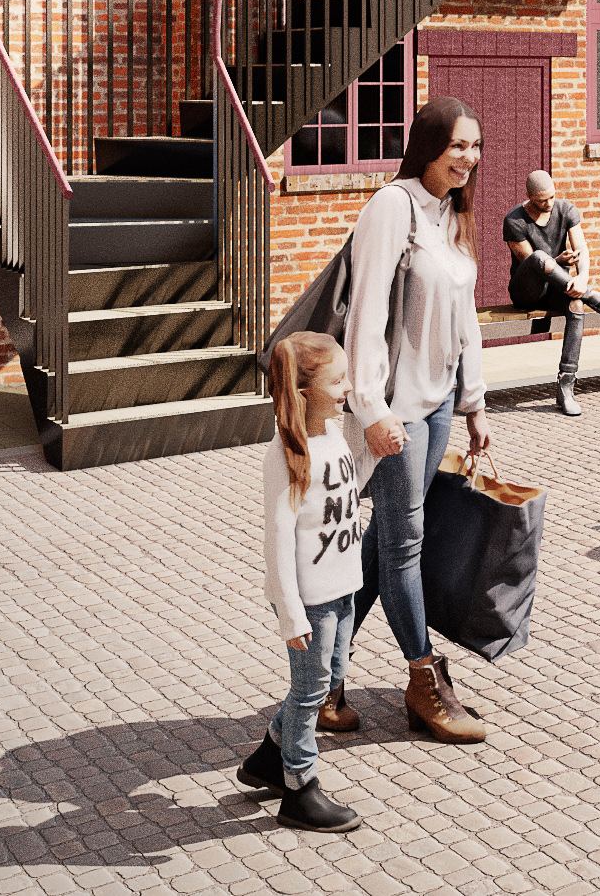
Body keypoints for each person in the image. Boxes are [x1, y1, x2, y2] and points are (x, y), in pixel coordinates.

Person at [335, 96, 495, 742]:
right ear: (428, 143)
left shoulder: (451, 216)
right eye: (458, 144)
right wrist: (369, 408)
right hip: (394, 413)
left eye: (475, 146)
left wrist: (475, 404)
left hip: (434, 411)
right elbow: (365, 315)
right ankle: (423, 679)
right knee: (404, 547)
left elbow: (466, 321)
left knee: (383, 547)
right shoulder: (391, 208)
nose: (469, 157)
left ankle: (323, 678)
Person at [233, 332, 368, 831]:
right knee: (310, 687)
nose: (348, 389)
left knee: (329, 680)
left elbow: (346, 488)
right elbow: (276, 541)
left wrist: (379, 450)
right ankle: (298, 787)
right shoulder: (286, 455)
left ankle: (270, 756)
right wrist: (290, 613)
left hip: (342, 584)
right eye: (338, 381)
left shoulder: (335, 434)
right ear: (305, 391)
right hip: (310, 599)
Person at [503, 169, 600, 416]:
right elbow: (531, 262)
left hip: (557, 287)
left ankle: (566, 386)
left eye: (552, 197)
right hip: (526, 292)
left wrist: (582, 278)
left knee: (576, 305)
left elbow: (581, 246)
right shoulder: (514, 220)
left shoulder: (566, 210)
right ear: (529, 197)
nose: (549, 204)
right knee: (540, 258)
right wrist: (557, 260)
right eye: (542, 200)